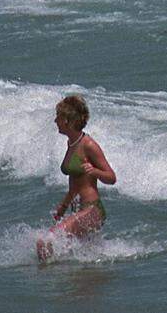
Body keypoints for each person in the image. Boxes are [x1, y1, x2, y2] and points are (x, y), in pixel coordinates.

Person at [38, 95, 117, 261]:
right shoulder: (71, 143)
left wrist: (95, 172)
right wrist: (64, 205)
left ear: (67, 120)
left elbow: (111, 177)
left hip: (92, 209)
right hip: (77, 209)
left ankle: (46, 280)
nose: (55, 121)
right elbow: (75, 183)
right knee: (82, 268)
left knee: (46, 241)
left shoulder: (88, 145)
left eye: (58, 117)